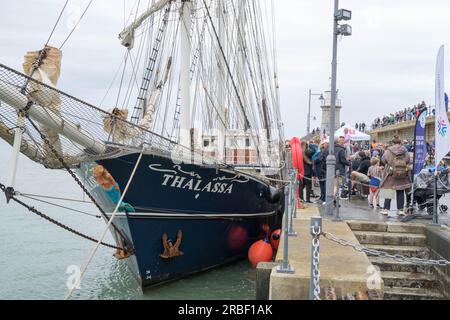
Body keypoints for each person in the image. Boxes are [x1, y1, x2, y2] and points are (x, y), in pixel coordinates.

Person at [379, 136, 411, 216]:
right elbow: (408, 160)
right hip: (402, 173)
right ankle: (400, 210)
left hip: (390, 173)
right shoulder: (405, 151)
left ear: (392, 143)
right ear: (400, 143)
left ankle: (386, 209)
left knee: (388, 190)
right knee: (400, 191)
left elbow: (383, 160)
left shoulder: (388, 151)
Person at [313, 140, 329, 204]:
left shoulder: (323, 151)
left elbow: (317, 159)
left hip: (322, 170)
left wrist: (314, 160)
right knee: (322, 185)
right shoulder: (323, 151)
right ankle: (322, 197)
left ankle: (323, 197)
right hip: (322, 170)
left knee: (323, 185)